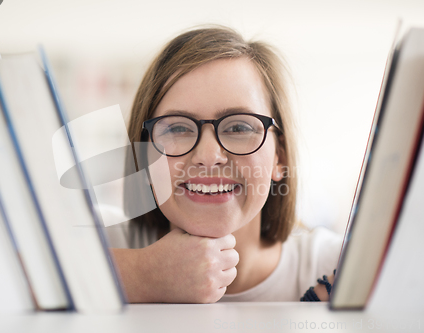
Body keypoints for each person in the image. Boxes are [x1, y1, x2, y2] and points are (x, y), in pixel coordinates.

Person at [107, 25, 342, 303]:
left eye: (239, 127)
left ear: (280, 157)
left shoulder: (337, 265)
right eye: (177, 129)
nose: (208, 156)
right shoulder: (104, 243)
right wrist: (141, 276)